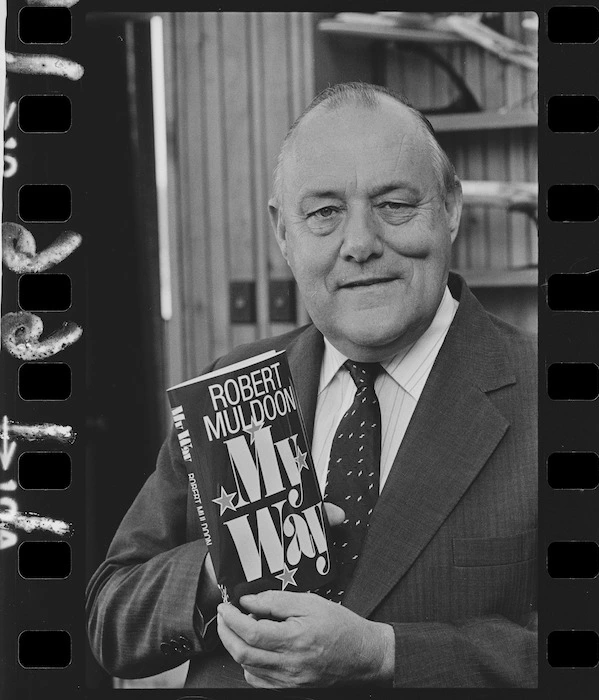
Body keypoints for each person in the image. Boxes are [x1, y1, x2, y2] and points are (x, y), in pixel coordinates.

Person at [86, 82, 537, 689]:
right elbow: (111, 615)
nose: (359, 244)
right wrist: (229, 565)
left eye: (395, 204)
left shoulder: (557, 399)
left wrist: (386, 653)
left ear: (450, 207)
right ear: (283, 233)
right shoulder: (232, 387)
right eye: (324, 212)